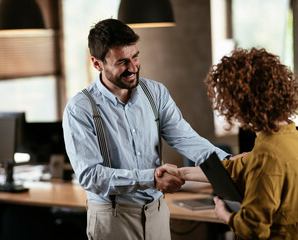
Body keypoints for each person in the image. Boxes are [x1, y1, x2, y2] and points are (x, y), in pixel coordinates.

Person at [62, 18, 231, 240]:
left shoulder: (155, 93)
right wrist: (151, 178)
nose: (133, 67)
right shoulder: (79, 108)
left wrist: (231, 162)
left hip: (157, 212)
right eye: (122, 62)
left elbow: (187, 139)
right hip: (112, 218)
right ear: (97, 64)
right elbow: (91, 176)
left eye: (135, 56)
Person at [157, 48, 298, 239]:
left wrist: (225, 215)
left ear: (240, 102)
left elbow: (253, 228)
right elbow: (232, 168)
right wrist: (180, 173)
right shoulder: (291, 136)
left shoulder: (267, 153)